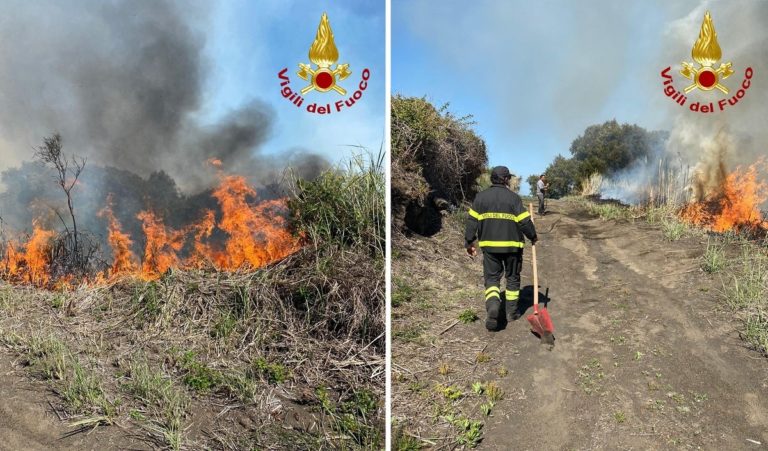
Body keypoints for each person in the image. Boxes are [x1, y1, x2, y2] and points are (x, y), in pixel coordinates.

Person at [465, 166, 538, 330]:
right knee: (512, 278)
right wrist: (532, 236)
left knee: (492, 279)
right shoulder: (514, 198)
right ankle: (511, 313)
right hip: (512, 248)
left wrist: (469, 242)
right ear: (505, 180)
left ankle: (493, 305)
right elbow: (525, 222)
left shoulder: (480, 198)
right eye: (509, 178)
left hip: (490, 248)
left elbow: (471, 222)